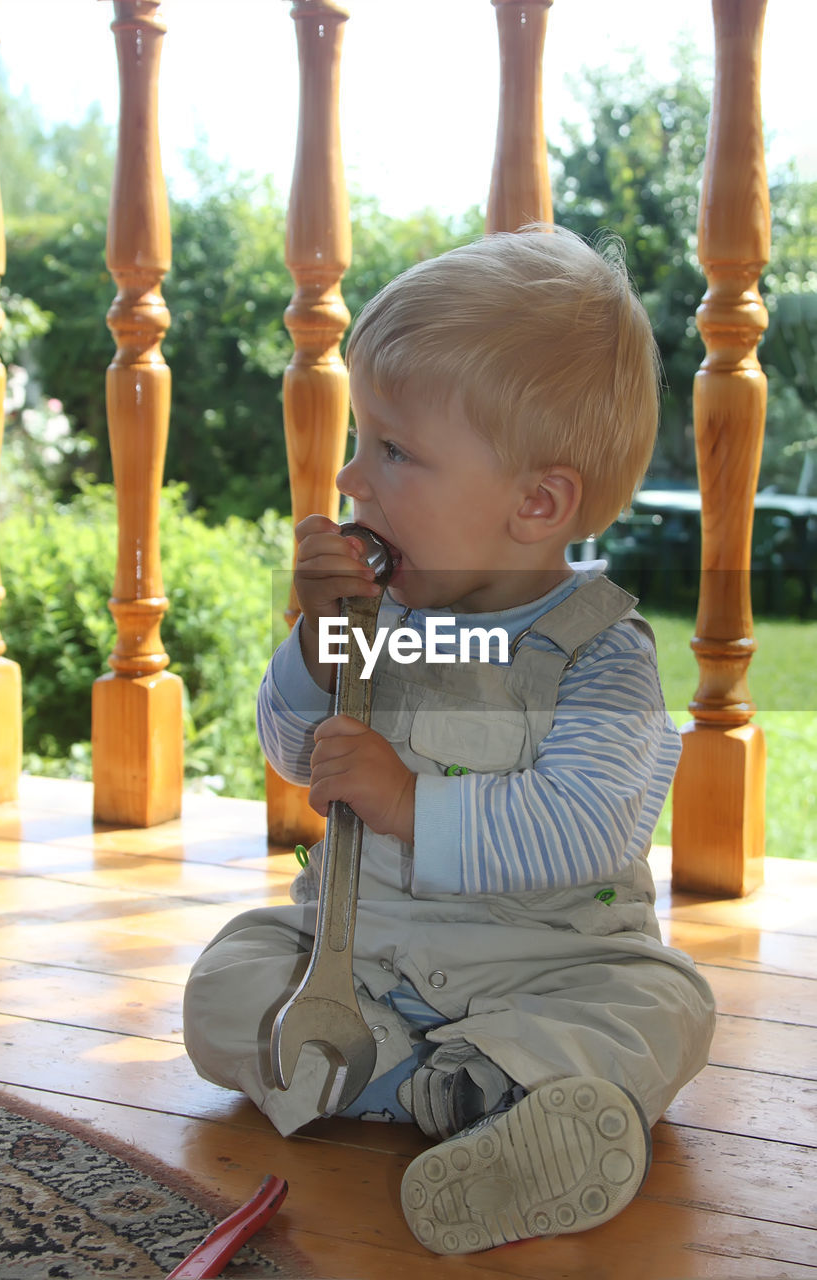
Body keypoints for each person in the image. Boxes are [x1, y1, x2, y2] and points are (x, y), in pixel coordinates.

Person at [183, 224, 715, 1256]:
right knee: (228, 975)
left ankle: (490, 1091)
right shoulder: (375, 614)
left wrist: (405, 801)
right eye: (357, 439)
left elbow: (580, 830)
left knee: (663, 1004)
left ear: (535, 501)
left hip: (550, 966)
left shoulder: (599, 653)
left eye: (391, 450)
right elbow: (294, 748)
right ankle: (452, 1090)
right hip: (360, 958)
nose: (349, 479)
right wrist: (318, 634)